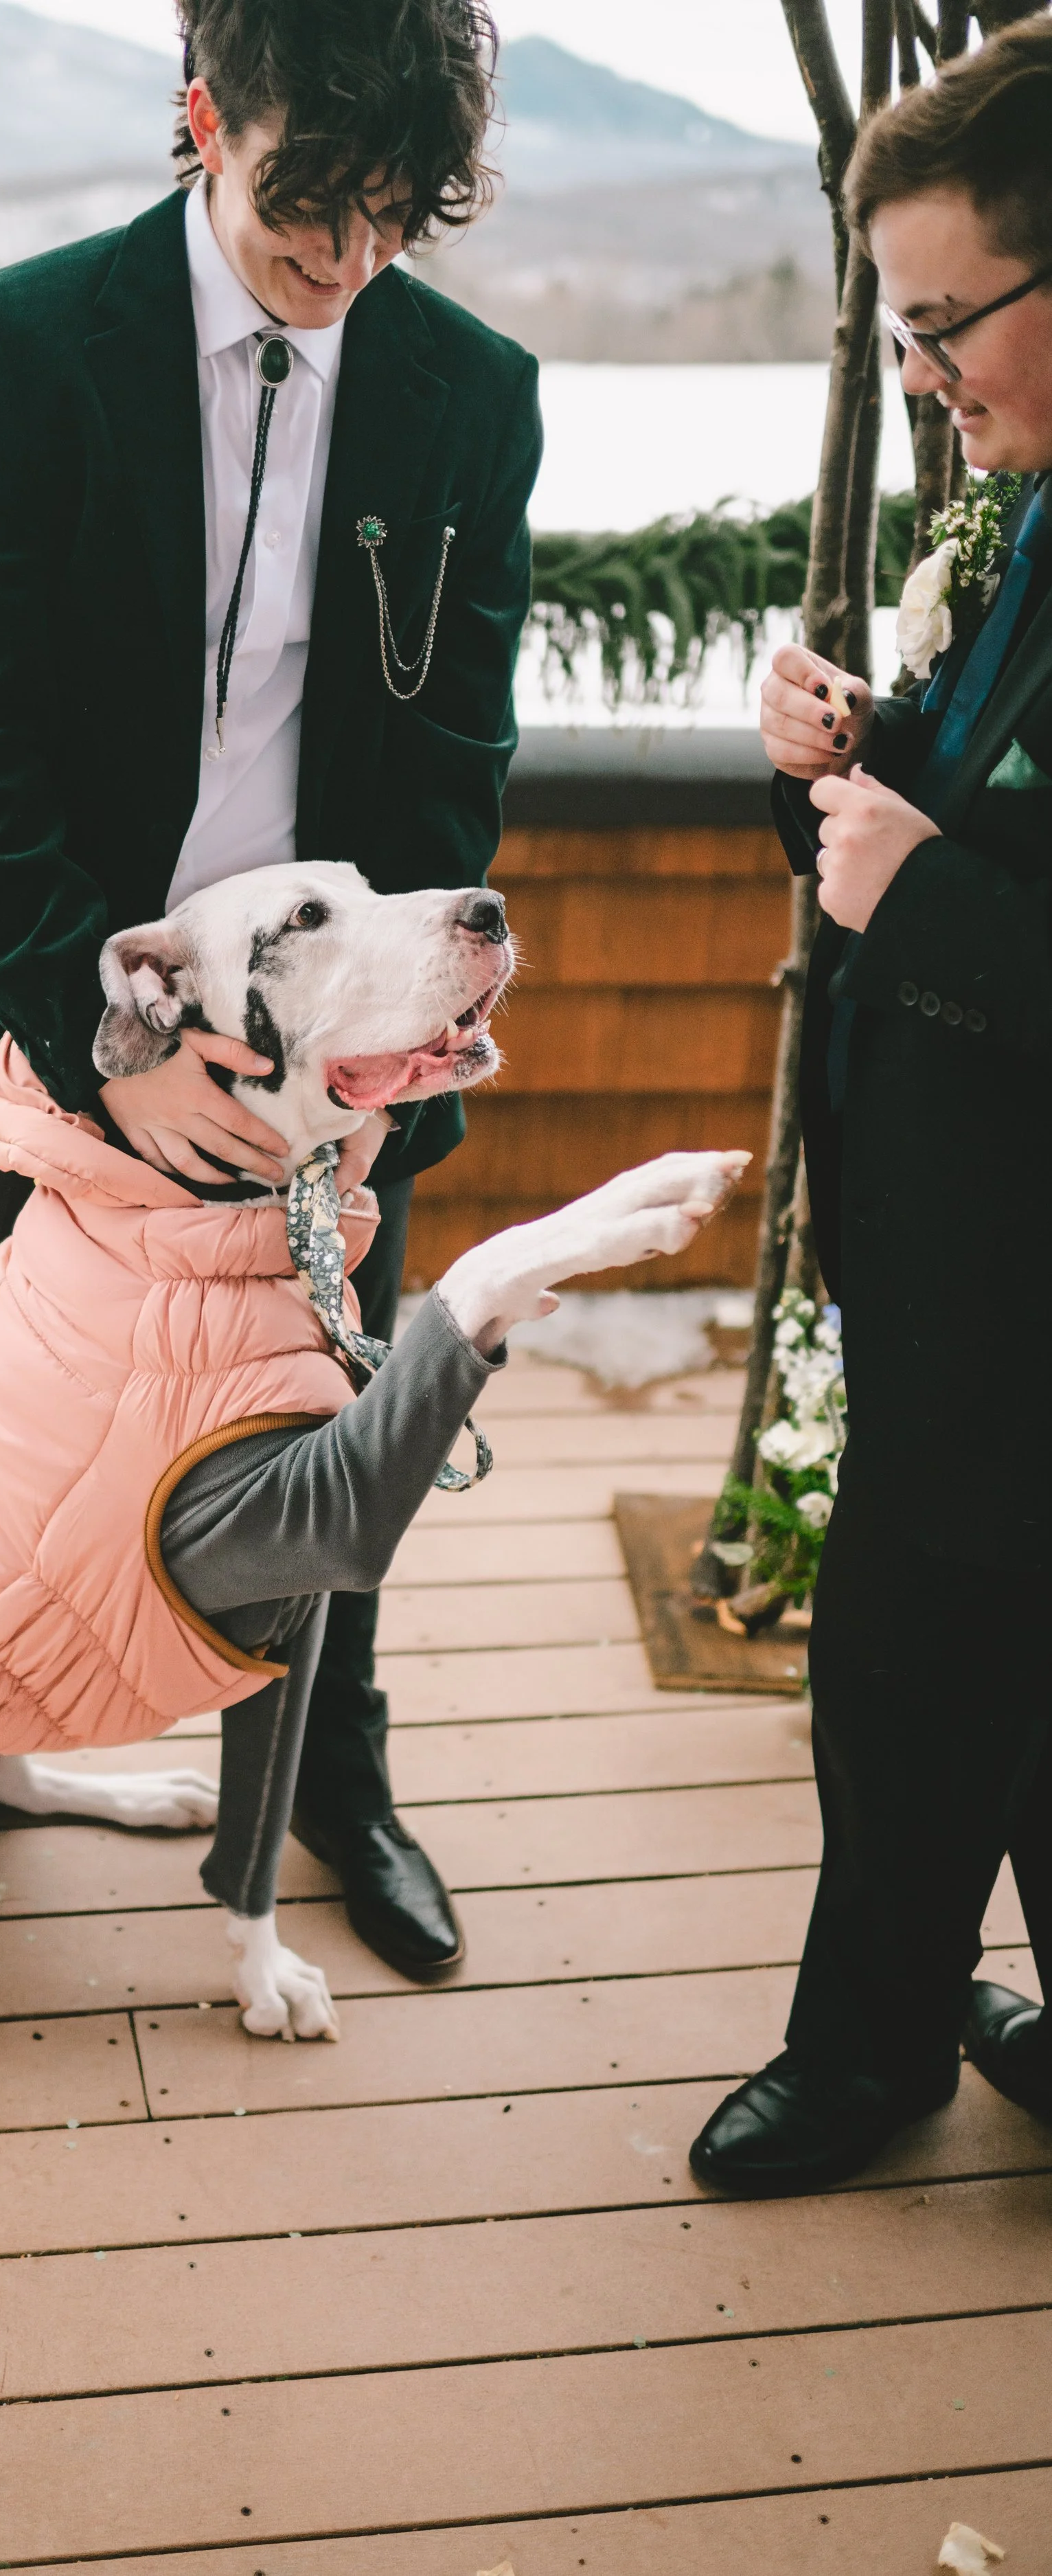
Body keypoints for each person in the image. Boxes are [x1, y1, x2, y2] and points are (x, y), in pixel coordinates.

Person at [0, 0, 542, 1979]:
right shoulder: (20, 343)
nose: (341, 264)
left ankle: (335, 1772)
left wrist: (373, 1046)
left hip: (332, 1026)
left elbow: (446, 760)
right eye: (307, 203)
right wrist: (103, 1046)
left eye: (393, 219)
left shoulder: (471, 395)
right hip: (25, 996)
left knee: (329, 1420)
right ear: (198, 122)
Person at [692, 19, 1052, 2197]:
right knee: (938, 1646)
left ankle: (866, 2055)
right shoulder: (1028, 517)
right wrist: (840, 759)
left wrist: (914, 889)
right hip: (954, 1259)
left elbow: (973, 894)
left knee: (925, 1655)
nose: (923, 374)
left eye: (944, 320)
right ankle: (898, 2028)